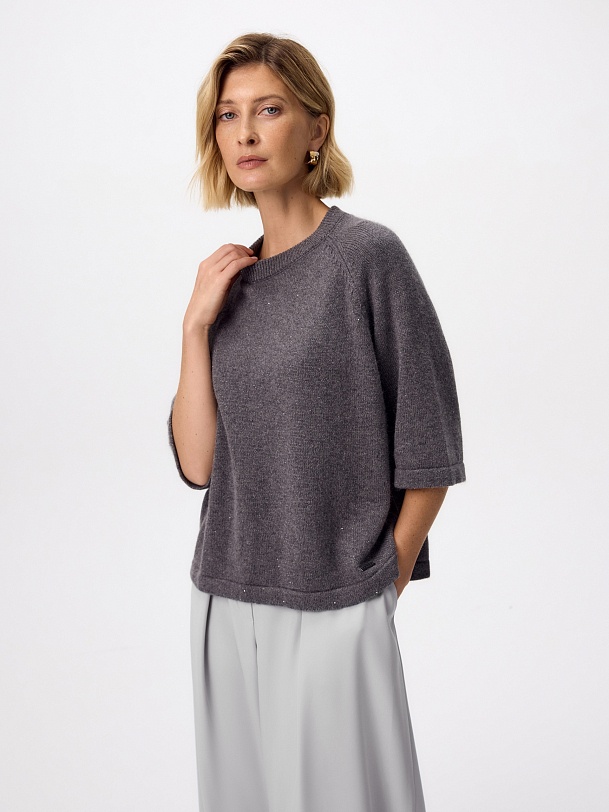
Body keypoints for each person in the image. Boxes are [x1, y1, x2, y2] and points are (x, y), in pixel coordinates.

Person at [167, 32, 465, 812]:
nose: (245, 132)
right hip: (225, 594)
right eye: (228, 115)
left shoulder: (367, 257)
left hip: (337, 597)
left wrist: (383, 581)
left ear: (316, 127)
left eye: (268, 110)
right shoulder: (228, 282)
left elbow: (430, 444)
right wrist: (195, 327)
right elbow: (198, 465)